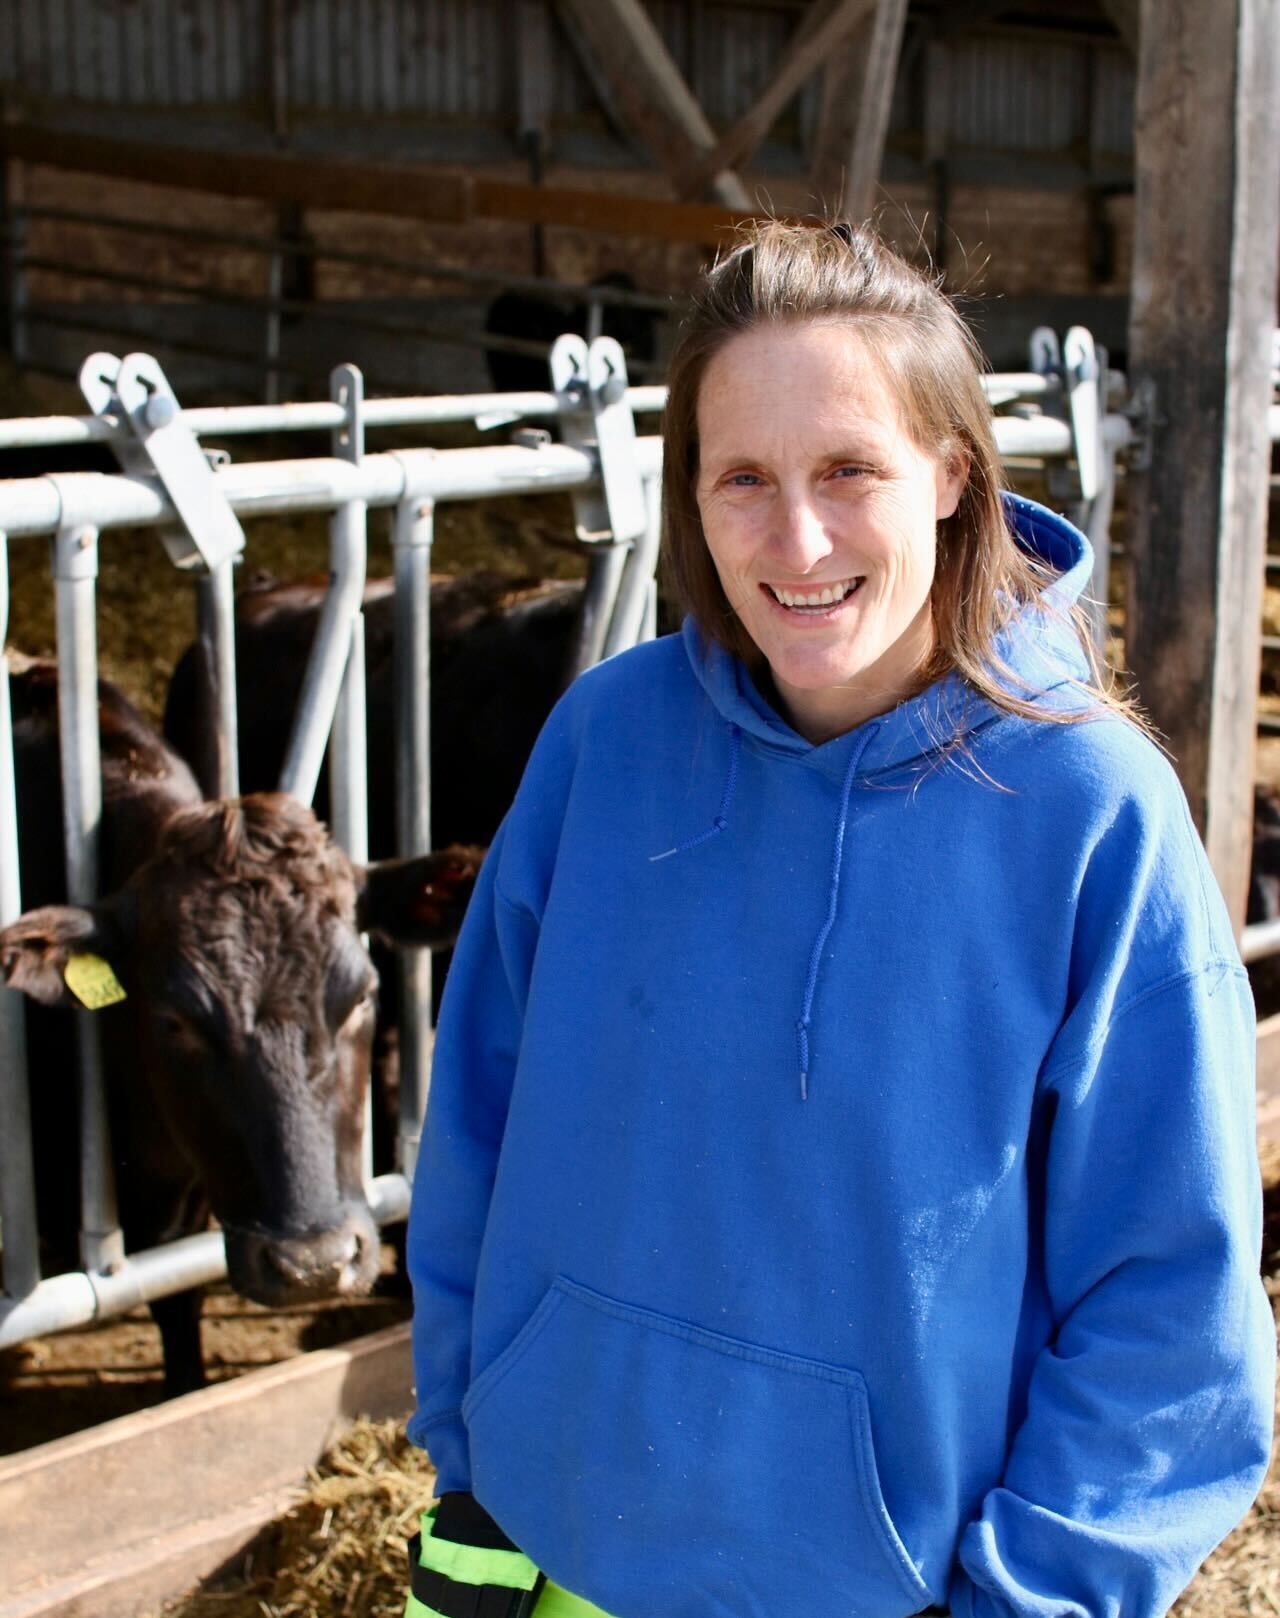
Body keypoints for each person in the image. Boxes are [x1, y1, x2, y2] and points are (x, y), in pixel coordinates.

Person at [401, 220, 1275, 1618]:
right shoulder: (606, 744)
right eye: (741, 476)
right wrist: (470, 1444)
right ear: (688, 494)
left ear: (951, 472)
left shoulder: (1090, 811)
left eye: (849, 469)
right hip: (538, 1552)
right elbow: (481, 1122)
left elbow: (1171, 1305)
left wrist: (1036, 1594)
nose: (795, 539)